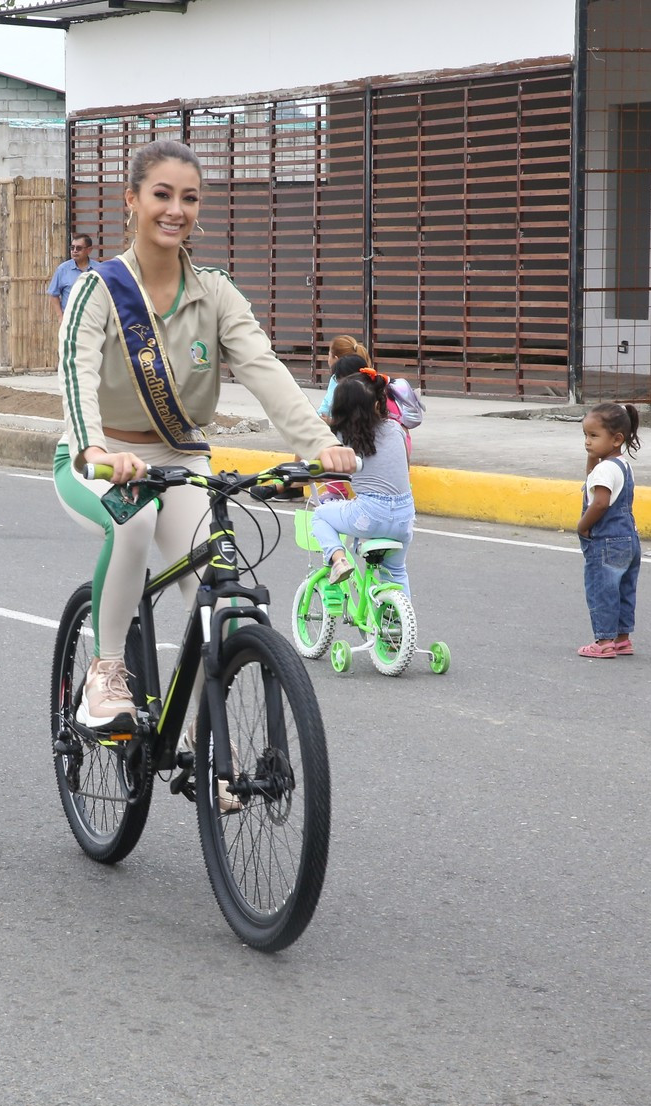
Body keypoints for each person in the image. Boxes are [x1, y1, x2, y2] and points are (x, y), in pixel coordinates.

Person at [55, 139, 354, 730]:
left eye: (189, 198)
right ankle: (106, 669)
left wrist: (319, 445)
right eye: (161, 194)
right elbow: (76, 376)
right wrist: (94, 449)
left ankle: (210, 744)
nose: (176, 209)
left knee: (217, 590)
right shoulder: (96, 290)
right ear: (132, 201)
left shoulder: (215, 292)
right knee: (132, 521)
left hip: (176, 453)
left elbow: (266, 371)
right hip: (98, 459)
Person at [308, 372, 416, 596]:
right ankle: (400, 626)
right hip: (405, 516)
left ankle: (339, 560)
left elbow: (320, 462)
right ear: (378, 403)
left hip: (369, 515)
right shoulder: (396, 429)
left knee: (320, 515)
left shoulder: (342, 437)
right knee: (396, 571)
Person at [575, 403, 642, 659]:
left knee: (602, 589)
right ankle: (623, 639)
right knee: (624, 589)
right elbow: (591, 478)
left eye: (593, 436)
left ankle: (603, 641)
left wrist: (583, 525)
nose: (587, 443)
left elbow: (600, 502)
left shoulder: (605, 469)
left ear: (616, 439)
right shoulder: (621, 465)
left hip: (606, 541)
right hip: (629, 538)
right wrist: (593, 455)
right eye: (585, 436)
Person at [47, 233, 99, 316]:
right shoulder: (63, 269)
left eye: (78, 248)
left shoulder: (99, 269)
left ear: (89, 250)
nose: (74, 251)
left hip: (93, 319)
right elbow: (53, 294)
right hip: (70, 319)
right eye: (72, 248)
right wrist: (60, 317)